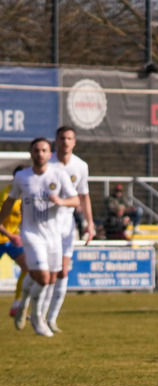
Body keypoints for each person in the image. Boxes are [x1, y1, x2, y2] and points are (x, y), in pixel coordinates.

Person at [0, 137, 79, 337]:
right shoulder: (22, 177)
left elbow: (75, 199)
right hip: (30, 233)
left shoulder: (58, 174)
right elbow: (10, 202)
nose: (40, 154)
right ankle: (36, 317)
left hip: (53, 234)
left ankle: (22, 303)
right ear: (31, 153)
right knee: (43, 278)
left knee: (51, 278)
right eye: (36, 150)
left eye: (44, 150)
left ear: (49, 153)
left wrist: (61, 201)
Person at [48, 126, 94, 334]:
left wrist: (89, 223)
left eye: (69, 138)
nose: (65, 141)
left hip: (66, 224)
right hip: (45, 224)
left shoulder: (81, 166)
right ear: (56, 141)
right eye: (62, 138)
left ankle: (50, 319)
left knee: (63, 271)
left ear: (74, 142)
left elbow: (83, 196)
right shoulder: (46, 163)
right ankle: (32, 308)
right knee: (45, 272)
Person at [0, 165, 28, 319]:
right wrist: (11, 235)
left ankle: (17, 304)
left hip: (12, 241)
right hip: (4, 238)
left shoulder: (27, 196)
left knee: (28, 267)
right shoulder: (5, 196)